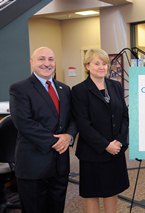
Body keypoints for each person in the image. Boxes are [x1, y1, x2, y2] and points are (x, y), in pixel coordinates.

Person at [9, 47, 77, 213]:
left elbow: (73, 118)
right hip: (33, 166)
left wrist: (69, 135)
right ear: (31, 62)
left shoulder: (65, 89)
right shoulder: (20, 89)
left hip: (60, 165)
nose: (47, 63)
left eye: (51, 59)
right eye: (41, 59)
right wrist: (57, 142)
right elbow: (24, 124)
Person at [71, 48, 129, 213]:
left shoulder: (115, 86)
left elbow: (125, 117)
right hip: (92, 152)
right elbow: (83, 124)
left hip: (115, 150)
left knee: (112, 191)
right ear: (87, 66)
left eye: (105, 63)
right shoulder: (79, 90)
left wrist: (119, 141)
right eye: (97, 63)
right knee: (92, 193)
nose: (102, 67)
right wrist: (105, 145)